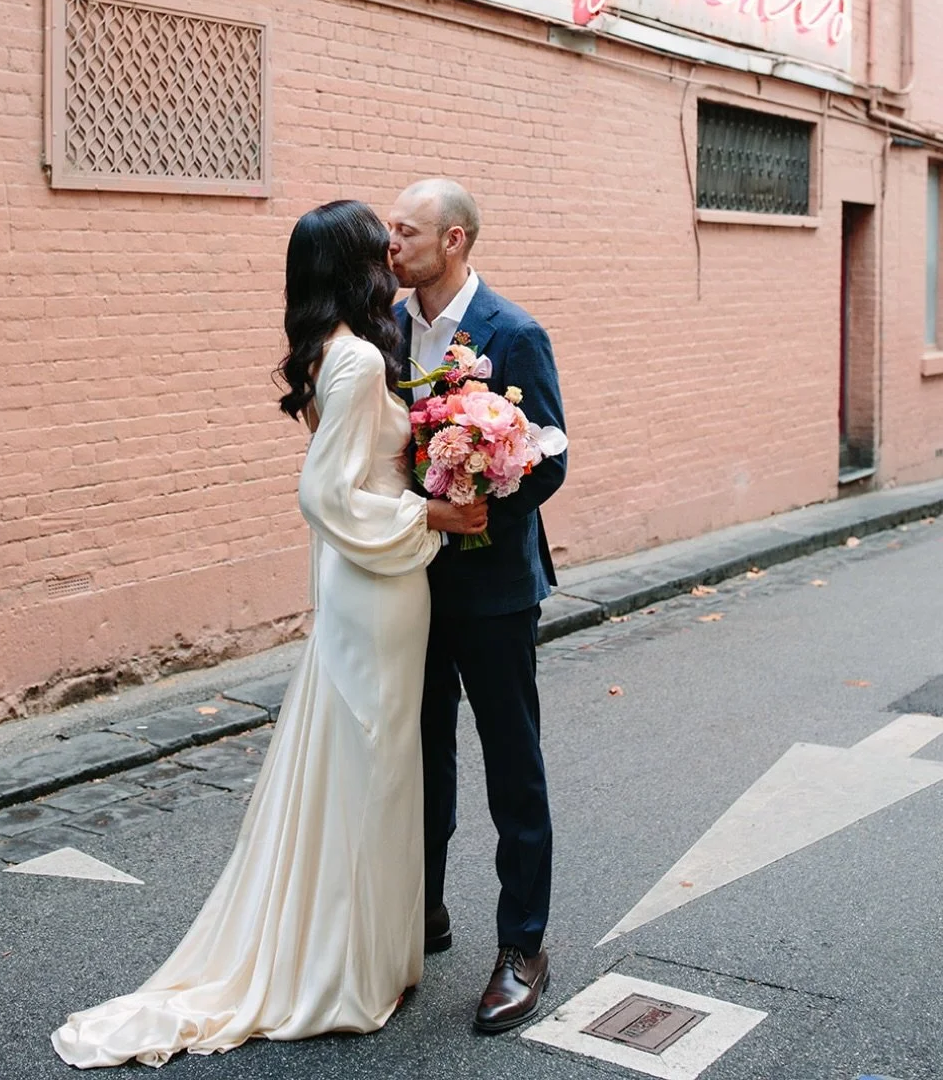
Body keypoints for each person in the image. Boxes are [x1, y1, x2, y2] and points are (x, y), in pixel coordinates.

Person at [50, 200, 487, 1069]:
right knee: (372, 765)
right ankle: (346, 970)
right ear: (358, 262)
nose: (394, 249)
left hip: (369, 581)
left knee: (372, 763)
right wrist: (433, 510)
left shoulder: (335, 351)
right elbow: (324, 498)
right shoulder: (360, 360)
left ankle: (370, 952)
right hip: (379, 579)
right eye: (382, 240)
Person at [387, 179, 568, 1035]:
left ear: (452, 240)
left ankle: (522, 946)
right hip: (410, 582)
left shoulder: (515, 332)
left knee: (511, 765)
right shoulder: (386, 328)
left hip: (494, 589)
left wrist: (481, 490)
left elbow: (552, 457)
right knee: (420, 760)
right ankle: (422, 916)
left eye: (406, 230)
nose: (392, 243)